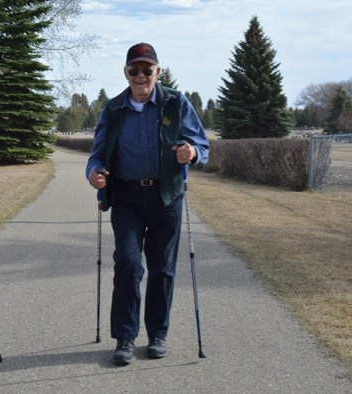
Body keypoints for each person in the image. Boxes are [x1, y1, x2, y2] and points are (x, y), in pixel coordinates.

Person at [86, 43, 209, 366]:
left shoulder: (176, 103)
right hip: (126, 196)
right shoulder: (113, 109)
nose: (141, 76)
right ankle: (125, 337)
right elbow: (98, 154)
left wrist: (191, 153)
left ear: (158, 71)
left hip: (165, 195)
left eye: (147, 70)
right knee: (127, 264)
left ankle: (157, 334)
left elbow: (201, 145)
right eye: (134, 70)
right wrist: (94, 174)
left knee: (162, 269)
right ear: (125, 74)